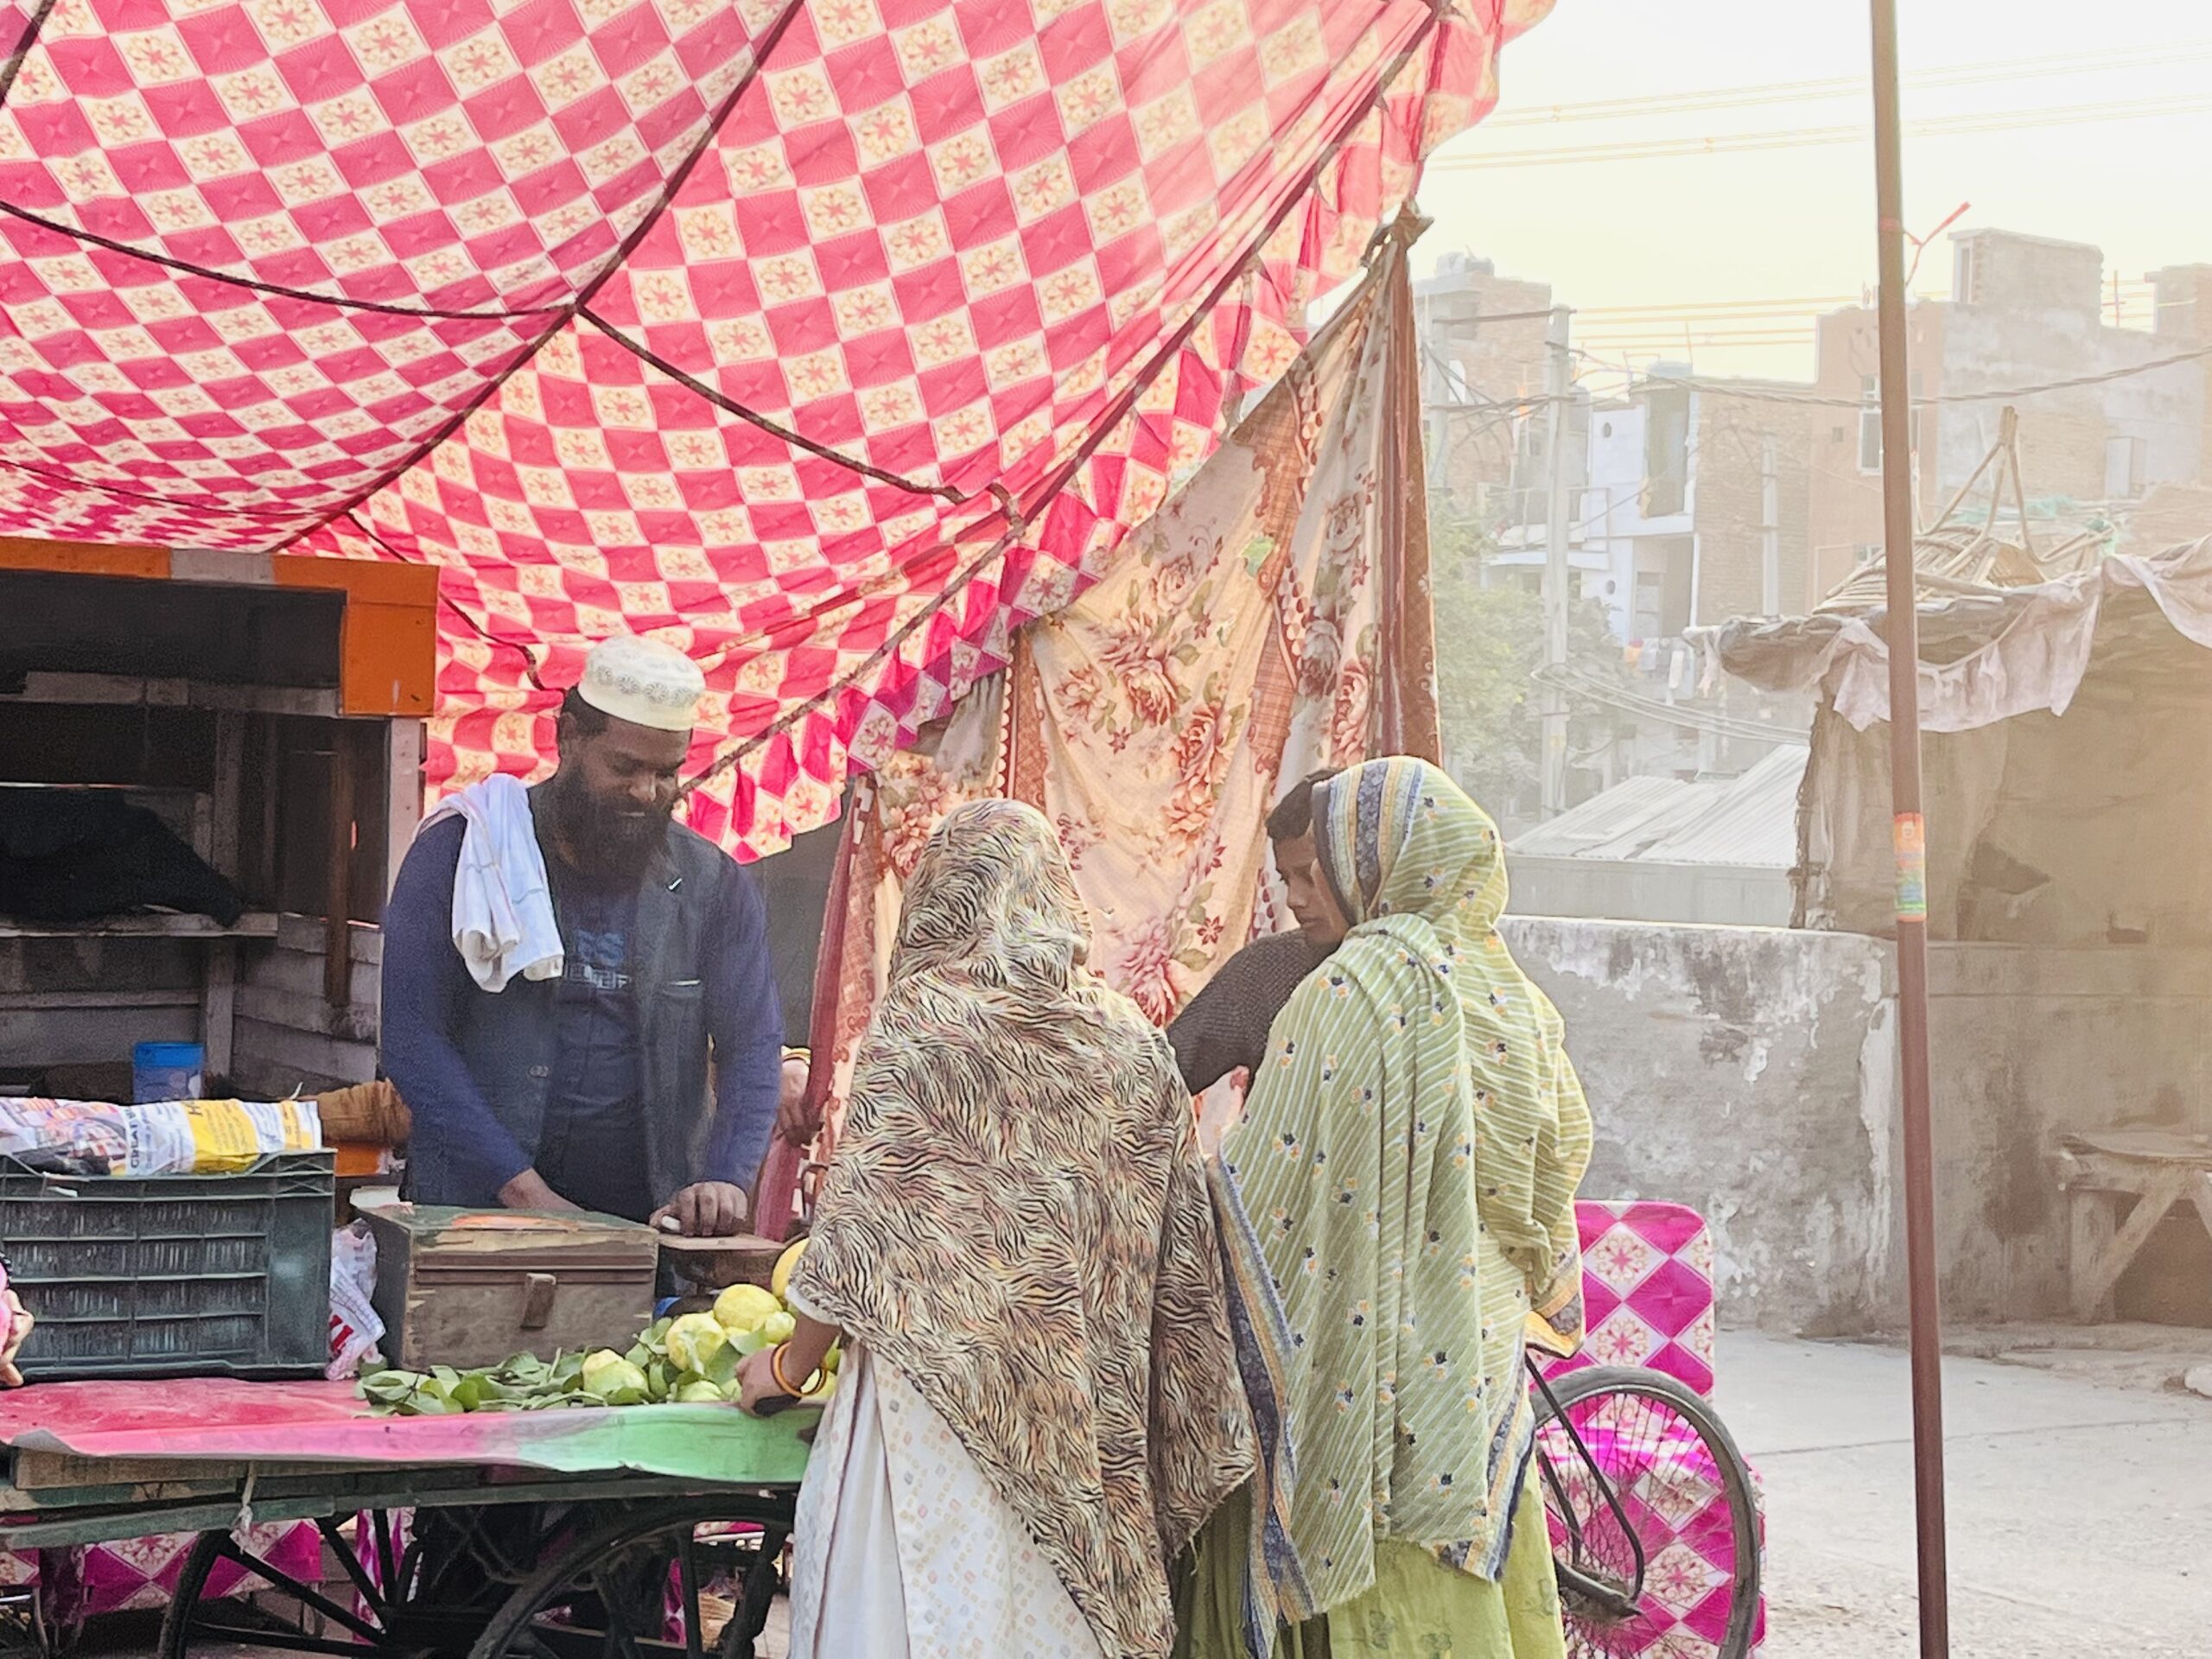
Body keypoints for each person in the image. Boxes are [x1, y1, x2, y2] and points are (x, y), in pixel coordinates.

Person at [735, 799, 1257, 1659]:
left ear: (940, 901)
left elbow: (857, 1243)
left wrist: (787, 1368)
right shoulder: (1131, 1046)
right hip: (1076, 1426)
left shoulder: (923, 1027)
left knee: (914, 1615)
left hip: (926, 1416)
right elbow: (1174, 1266)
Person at [1179, 757, 1593, 1659]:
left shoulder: (1352, 990)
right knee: (1465, 1592)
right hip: (1473, 1377)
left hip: (1362, 1373)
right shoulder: (1511, 997)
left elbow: (1263, 1192)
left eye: (1313, 866)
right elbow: (1555, 1162)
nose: (1300, 892)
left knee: (1361, 1584)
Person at [381, 636, 782, 1236]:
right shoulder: (465, 855)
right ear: (568, 735)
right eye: (623, 767)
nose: (645, 793)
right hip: (474, 1218)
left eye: (666, 774)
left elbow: (751, 1046)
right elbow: (412, 1040)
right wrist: (526, 1194)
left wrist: (726, 1176)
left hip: (650, 1226)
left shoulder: (711, 885)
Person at [1166, 769, 1344, 1096]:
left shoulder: (1432, 976)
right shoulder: (1265, 971)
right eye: (1287, 880)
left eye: (1310, 874)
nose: (1295, 899)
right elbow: (1161, 1075)